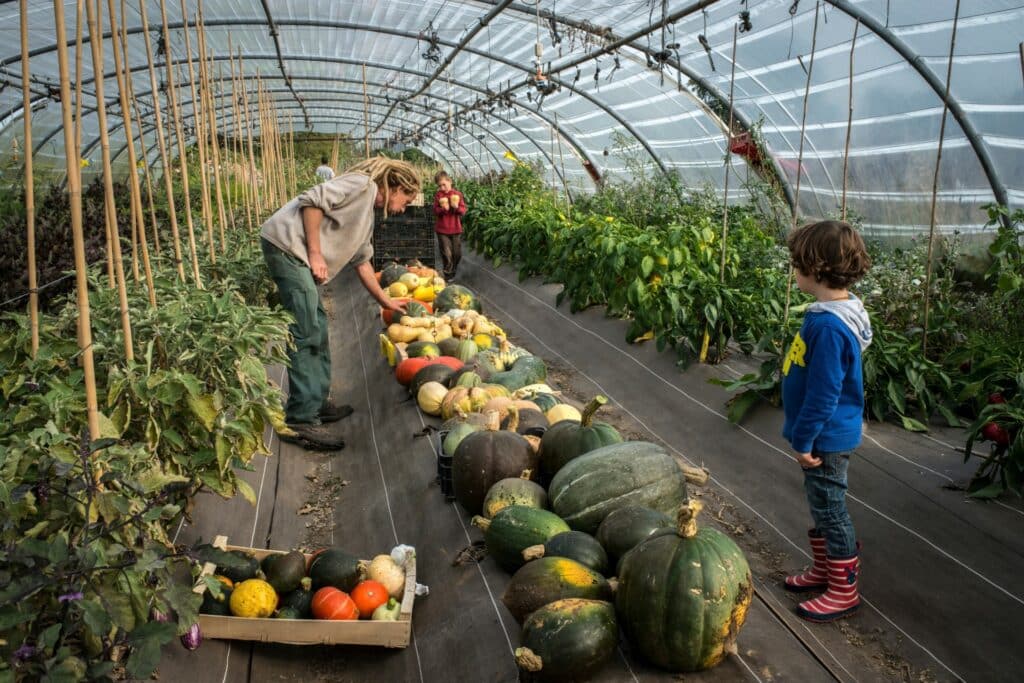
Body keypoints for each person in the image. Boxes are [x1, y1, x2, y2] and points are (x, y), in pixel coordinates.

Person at [261, 156, 420, 450]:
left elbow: (362, 262)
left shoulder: (365, 215)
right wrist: (316, 253)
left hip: (294, 252)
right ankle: (301, 418)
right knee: (307, 330)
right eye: (406, 201)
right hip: (286, 247)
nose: (403, 209)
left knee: (318, 326)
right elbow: (312, 201)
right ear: (395, 186)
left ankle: (315, 402)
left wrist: (387, 301)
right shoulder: (362, 185)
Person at [780, 219, 872, 622]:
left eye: (796, 264)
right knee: (822, 504)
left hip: (825, 438)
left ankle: (843, 590)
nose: (793, 270)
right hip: (824, 434)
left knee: (831, 509)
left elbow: (824, 393)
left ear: (815, 270)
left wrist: (803, 439)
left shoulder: (831, 327)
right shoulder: (832, 314)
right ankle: (824, 571)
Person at [432, 171, 467, 281]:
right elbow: (435, 211)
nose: (442, 187)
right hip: (442, 230)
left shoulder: (457, 195)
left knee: (457, 254)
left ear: (450, 181)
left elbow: (463, 211)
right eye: (439, 186)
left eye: (444, 184)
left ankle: (453, 270)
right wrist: (443, 209)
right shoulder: (439, 195)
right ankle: (448, 275)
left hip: (456, 229)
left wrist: (456, 207)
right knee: (447, 254)